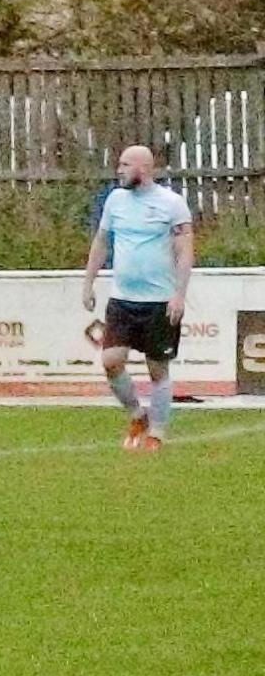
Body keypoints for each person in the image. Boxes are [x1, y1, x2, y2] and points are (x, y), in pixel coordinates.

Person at [81, 144, 193, 450]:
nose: (118, 169)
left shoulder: (171, 204)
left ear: (142, 169)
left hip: (158, 301)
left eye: (124, 164)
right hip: (122, 299)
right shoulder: (115, 201)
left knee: (158, 369)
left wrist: (179, 295)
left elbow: (185, 251)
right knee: (111, 360)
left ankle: (157, 432)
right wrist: (88, 282)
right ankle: (136, 414)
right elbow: (102, 241)